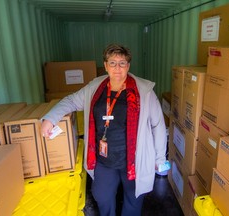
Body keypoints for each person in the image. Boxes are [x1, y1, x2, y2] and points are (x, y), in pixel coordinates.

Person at [41, 43, 168, 216]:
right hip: (103, 157)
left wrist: (160, 158)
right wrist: (50, 118)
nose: (118, 68)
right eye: (113, 63)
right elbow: (71, 101)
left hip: (134, 158)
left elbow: (158, 124)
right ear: (106, 65)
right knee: (102, 196)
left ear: (128, 66)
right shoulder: (95, 87)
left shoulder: (143, 91)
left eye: (122, 63)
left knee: (133, 198)